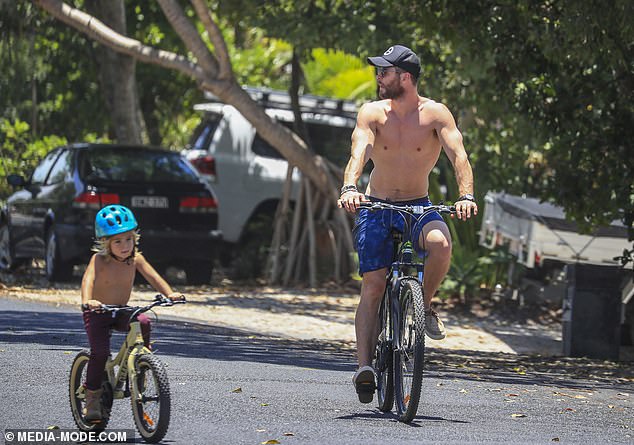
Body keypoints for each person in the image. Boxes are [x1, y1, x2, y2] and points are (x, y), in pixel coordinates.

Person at [337, 44, 478, 403]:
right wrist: (350, 187)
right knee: (373, 285)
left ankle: (423, 304)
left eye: (384, 72)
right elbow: (359, 152)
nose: (378, 77)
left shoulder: (435, 115)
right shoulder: (372, 113)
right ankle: (364, 367)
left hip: (418, 204)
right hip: (376, 204)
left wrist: (466, 196)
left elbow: (458, 155)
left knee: (441, 245)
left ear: (406, 77)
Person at [80, 204, 185, 423]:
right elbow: (87, 280)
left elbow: (154, 277)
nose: (125, 245)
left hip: (120, 310)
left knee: (144, 321)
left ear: (135, 238)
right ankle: (91, 397)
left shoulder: (136, 259)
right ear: (105, 243)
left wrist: (170, 293)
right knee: (99, 353)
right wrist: (88, 301)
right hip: (98, 312)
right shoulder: (99, 260)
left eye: (129, 239)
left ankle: (141, 366)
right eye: (117, 241)